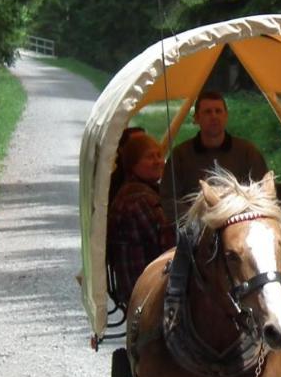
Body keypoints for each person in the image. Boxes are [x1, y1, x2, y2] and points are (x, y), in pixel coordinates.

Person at [159, 90, 269, 223]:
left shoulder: (248, 152)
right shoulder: (180, 155)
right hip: (196, 229)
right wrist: (198, 219)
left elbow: (262, 192)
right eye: (207, 112)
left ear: (226, 116)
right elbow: (169, 199)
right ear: (196, 118)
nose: (214, 116)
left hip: (241, 223)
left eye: (218, 111)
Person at [108, 132, 174, 306]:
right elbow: (168, 244)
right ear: (133, 165)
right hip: (145, 286)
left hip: (136, 282)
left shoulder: (135, 191)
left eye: (159, 155)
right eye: (149, 157)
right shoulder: (139, 199)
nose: (158, 161)